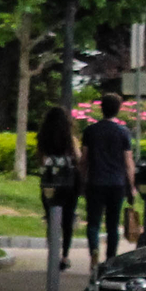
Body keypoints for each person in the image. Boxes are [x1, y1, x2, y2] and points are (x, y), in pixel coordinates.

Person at [81, 93, 137, 265]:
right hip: (117, 183)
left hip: (96, 182)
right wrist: (132, 186)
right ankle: (111, 258)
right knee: (113, 225)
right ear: (118, 110)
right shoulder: (123, 132)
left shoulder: (90, 131)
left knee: (93, 222)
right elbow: (128, 162)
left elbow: (84, 159)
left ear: (101, 108)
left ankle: (94, 251)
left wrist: (83, 180)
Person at [33, 107, 82, 270]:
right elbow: (78, 157)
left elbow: (40, 159)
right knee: (67, 220)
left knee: (51, 218)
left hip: (49, 182)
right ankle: (65, 255)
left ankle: (52, 252)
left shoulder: (43, 138)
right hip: (69, 182)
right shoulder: (70, 139)